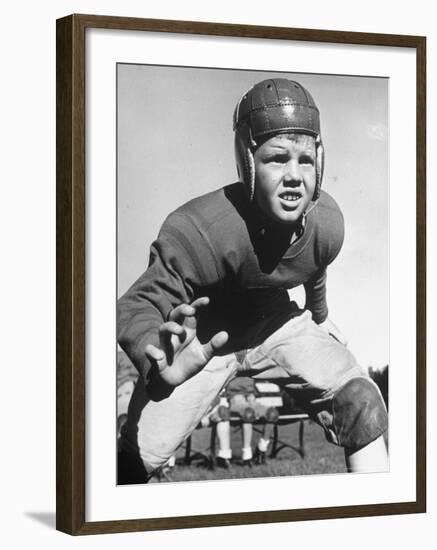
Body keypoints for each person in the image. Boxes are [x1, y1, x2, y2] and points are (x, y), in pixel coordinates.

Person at [117, 77, 388, 484]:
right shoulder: (200, 229)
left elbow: (313, 267)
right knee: (131, 466)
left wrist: (319, 314)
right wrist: (152, 350)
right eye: (277, 159)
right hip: (208, 337)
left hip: (274, 321)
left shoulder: (327, 223)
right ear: (247, 162)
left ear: (321, 161)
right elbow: (137, 304)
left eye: (305, 160)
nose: (295, 175)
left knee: (361, 401)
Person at [209, 377, 279, 467]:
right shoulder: (232, 366)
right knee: (248, 414)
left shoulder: (249, 366)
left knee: (272, 414)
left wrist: (252, 397)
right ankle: (247, 456)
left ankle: (261, 450)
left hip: (251, 400)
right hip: (236, 401)